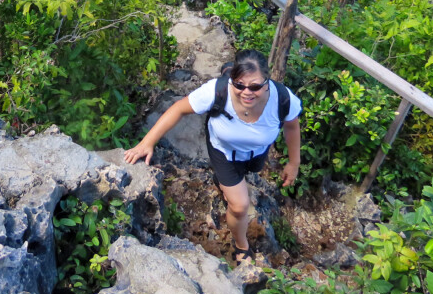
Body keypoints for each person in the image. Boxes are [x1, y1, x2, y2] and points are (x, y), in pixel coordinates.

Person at [123, 50, 302, 263]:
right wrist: (147, 142)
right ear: (231, 82)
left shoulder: (282, 99)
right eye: (238, 85)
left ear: (267, 81)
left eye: (255, 86)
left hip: (257, 151)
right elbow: (179, 109)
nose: (247, 92)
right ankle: (241, 245)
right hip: (223, 150)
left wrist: (294, 162)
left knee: (251, 170)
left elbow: (291, 127)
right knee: (240, 205)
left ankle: (228, 181)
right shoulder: (216, 91)